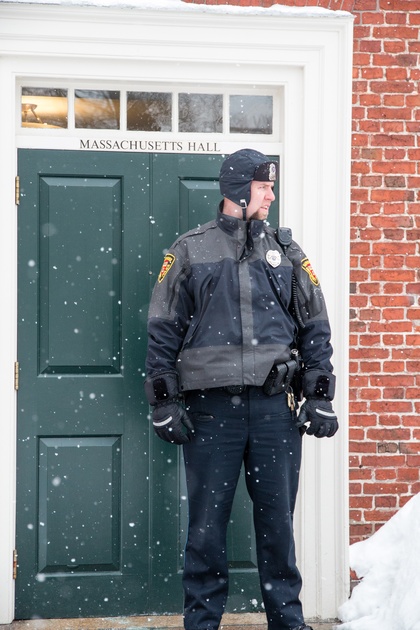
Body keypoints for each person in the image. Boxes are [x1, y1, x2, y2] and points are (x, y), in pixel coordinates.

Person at [145, 148, 339, 630]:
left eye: (271, 187)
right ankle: (202, 623)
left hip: (275, 411)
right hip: (212, 415)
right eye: (262, 187)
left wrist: (319, 395)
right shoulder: (189, 250)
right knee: (206, 529)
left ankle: (287, 621)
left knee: (278, 527)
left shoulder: (286, 251)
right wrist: (165, 401)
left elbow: (315, 324)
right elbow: (162, 328)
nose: (270, 196)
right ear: (237, 189)